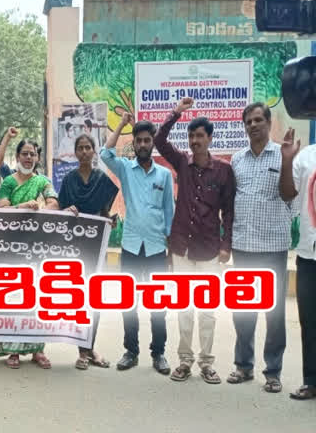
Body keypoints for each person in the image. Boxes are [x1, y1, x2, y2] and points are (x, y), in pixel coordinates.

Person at [155, 98, 235, 385]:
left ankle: (207, 363)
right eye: (191, 136)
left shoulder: (224, 170)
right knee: (184, 307)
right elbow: (159, 140)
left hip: (210, 248)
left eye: (200, 135)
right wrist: (176, 113)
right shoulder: (181, 162)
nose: (195, 140)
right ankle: (185, 361)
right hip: (182, 248)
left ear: (210, 138)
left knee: (207, 309)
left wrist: (227, 245)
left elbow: (229, 210)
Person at [100, 112, 173, 376]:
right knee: (128, 303)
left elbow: (169, 211)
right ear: (134, 143)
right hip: (131, 245)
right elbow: (104, 154)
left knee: (158, 305)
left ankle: (159, 353)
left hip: (156, 248)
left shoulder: (163, 175)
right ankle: (131, 351)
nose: (143, 144)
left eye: (146, 140)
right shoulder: (125, 169)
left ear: (153, 142)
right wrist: (121, 124)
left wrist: (169, 248)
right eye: (139, 140)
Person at [227, 102, 291, 393]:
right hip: (243, 245)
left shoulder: (283, 154)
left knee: (274, 312)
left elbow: (291, 196)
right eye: (248, 122)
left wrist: (289, 161)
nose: (253, 125)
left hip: (273, 245)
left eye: (257, 120)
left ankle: (273, 371)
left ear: (268, 122)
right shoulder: (237, 159)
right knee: (243, 309)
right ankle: (243, 366)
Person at [0, 139, 58, 370]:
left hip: (37, 247)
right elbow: (1, 209)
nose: (28, 158)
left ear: (37, 158)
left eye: (32, 154)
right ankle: (12, 350)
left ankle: (37, 349)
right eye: (24, 154)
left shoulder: (43, 181)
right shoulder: (9, 182)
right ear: (18, 156)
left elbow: (53, 203)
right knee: (13, 296)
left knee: (36, 298)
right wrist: (21, 208)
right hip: (11, 247)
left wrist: (41, 208)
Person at [58, 134, 119, 371]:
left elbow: (104, 213)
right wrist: (66, 210)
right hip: (74, 247)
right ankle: (81, 350)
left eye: (88, 148)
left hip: (96, 248)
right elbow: (60, 210)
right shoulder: (69, 181)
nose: (84, 152)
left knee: (94, 298)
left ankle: (89, 347)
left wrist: (109, 222)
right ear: (75, 153)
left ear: (94, 152)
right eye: (80, 148)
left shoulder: (102, 180)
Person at [279, 127, 316, 400]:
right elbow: (287, 194)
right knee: (309, 321)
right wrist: (288, 159)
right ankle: (311, 381)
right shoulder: (307, 156)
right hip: (309, 254)